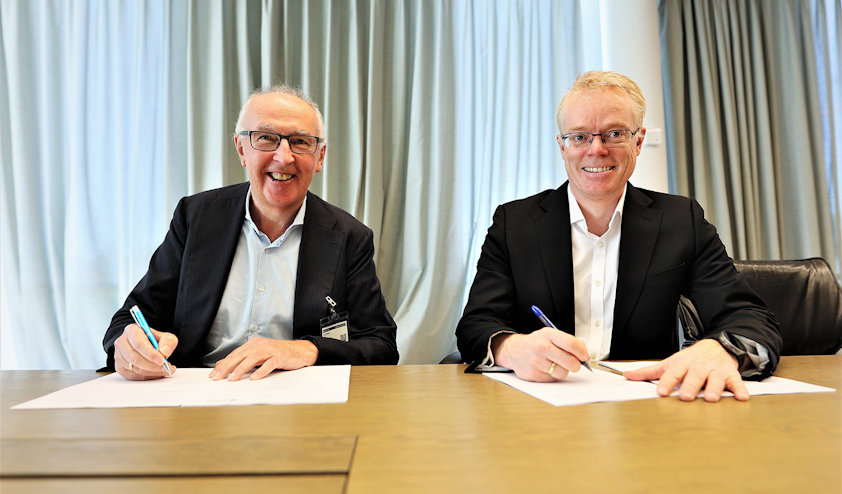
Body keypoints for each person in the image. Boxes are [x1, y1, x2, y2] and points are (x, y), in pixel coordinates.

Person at [455, 71, 782, 402]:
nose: (596, 150)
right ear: (562, 146)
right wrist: (512, 348)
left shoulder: (680, 221)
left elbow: (750, 317)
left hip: (648, 407)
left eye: (614, 134)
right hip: (539, 405)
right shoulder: (515, 223)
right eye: (579, 136)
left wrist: (720, 350)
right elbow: (476, 326)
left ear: (638, 142)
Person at [104, 85, 398, 381]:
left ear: (319, 157)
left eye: (300, 141)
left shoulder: (349, 236)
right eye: (266, 138)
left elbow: (381, 345)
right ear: (241, 148)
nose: (284, 157)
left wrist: (307, 350)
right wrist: (130, 343)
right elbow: (130, 319)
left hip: (298, 402)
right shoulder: (195, 218)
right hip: (198, 395)